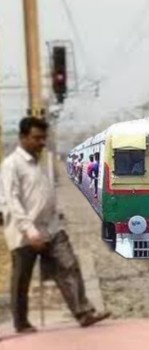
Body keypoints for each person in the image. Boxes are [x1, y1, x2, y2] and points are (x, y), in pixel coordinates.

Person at [1, 117, 111, 334]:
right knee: (22, 277)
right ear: (23, 137)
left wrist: (56, 216)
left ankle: (84, 312)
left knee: (68, 265)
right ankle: (21, 322)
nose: (41, 142)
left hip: (51, 227)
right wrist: (30, 231)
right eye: (36, 138)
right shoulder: (11, 165)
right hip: (25, 232)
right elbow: (11, 200)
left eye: (44, 137)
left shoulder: (41, 161)